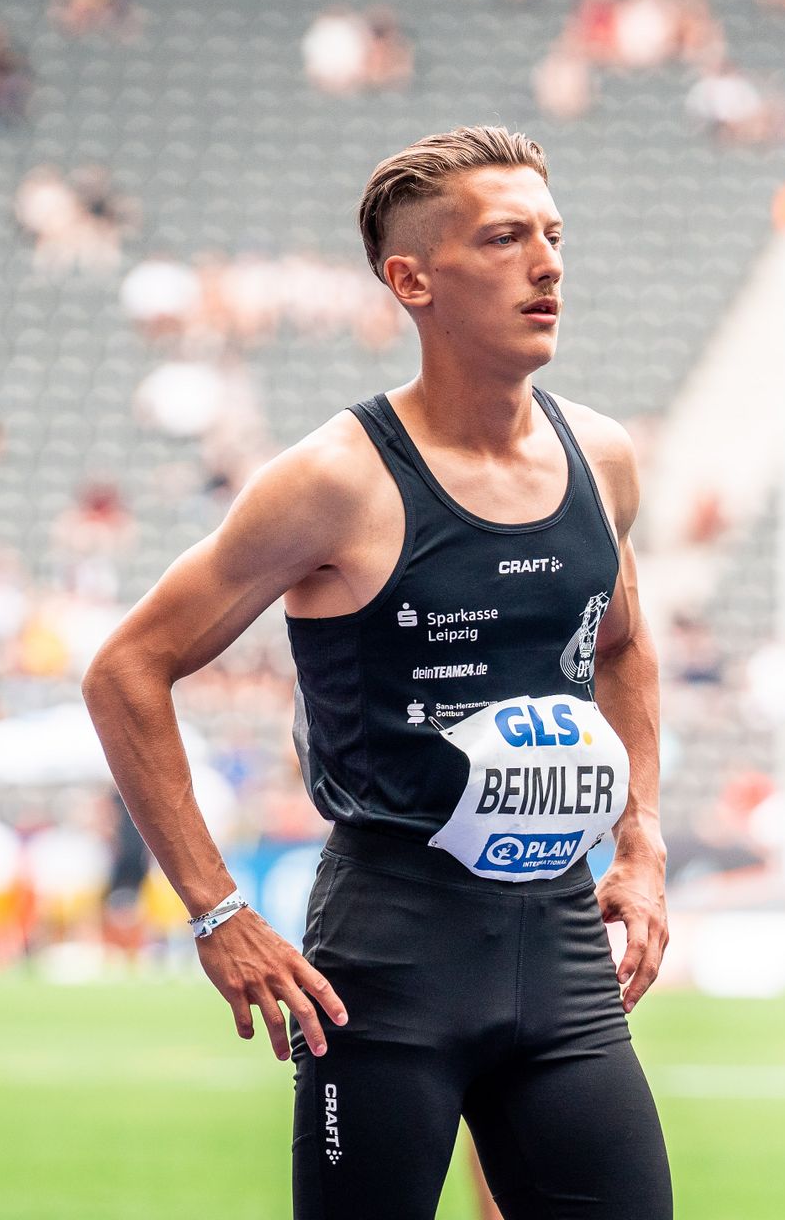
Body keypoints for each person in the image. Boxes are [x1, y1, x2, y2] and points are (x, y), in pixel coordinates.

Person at [82, 125, 672, 1218]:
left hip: (559, 943)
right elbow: (126, 669)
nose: (547, 263)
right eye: (504, 239)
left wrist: (640, 836)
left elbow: (625, 641)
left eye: (553, 233)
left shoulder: (602, 455)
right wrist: (216, 910)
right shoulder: (332, 481)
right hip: (391, 961)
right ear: (412, 280)